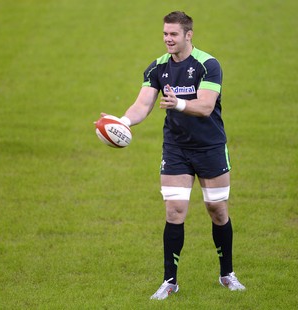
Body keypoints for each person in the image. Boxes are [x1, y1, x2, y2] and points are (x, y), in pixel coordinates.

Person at [100, 11, 245, 300]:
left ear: (188, 35)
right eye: (165, 33)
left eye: (173, 34)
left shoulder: (208, 65)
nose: (168, 38)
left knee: (217, 211)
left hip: (210, 148)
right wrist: (122, 123)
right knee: (174, 211)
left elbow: (205, 107)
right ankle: (169, 281)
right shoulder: (157, 67)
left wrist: (177, 103)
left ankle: (227, 274)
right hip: (176, 149)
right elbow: (142, 104)